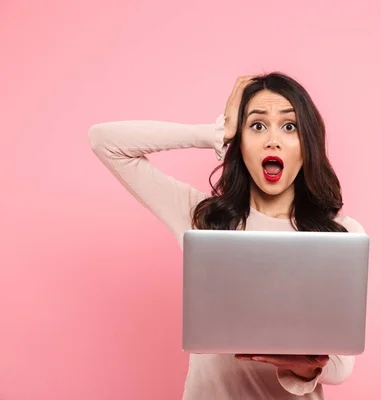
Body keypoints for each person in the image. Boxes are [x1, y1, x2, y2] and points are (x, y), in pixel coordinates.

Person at [88, 73, 366, 399]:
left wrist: (306, 367)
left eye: (289, 126)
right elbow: (104, 141)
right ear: (240, 141)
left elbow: (342, 366)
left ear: (308, 143)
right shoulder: (203, 219)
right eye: (257, 126)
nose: (272, 140)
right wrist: (216, 132)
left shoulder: (339, 234)